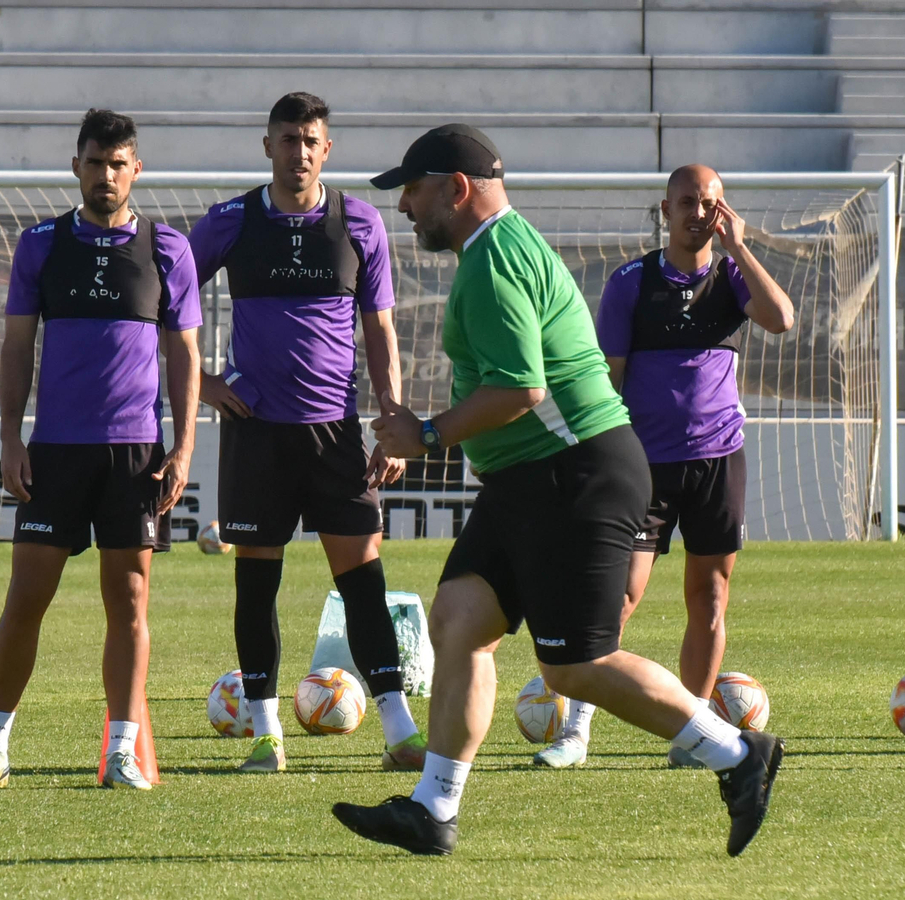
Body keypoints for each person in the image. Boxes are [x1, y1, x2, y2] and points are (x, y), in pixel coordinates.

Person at [330, 124, 784, 857]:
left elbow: (521, 387)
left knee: (574, 663)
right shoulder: (498, 249)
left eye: (412, 190)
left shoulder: (493, 263)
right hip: (531, 477)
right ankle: (433, 809)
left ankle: (737, 753)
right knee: (458, 618)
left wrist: (430, 435)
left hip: (573, 473)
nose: (404, 206)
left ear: (456, 187)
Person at [0, 109, 202, 791]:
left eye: (118, 163)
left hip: (135, 456)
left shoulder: (167, 249)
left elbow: (184, 357)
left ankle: (121, 753)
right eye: (94, 162)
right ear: (77, 167)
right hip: (56, 451)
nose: (105, 175)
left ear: (136, 170)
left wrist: (183, 447)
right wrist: (10, 437)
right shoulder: (39, 245)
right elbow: (16, 347)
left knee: (129, 601)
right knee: (26, 597)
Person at [186, 92, 422, 773]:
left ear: (327, 149)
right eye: (286, 139)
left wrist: (394, 417)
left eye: (309, 140)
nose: (298, 152)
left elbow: (379, 329)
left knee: (364, 583)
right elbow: (163, 301)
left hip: (336, 435)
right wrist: (201, 383)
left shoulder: (360, 223)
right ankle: (267, 736)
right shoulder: (232, 221)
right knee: (256, 586)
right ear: (267, 146)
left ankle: (400, 732)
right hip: (257, 434)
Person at [536, 164, 794, 769]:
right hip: (642, 466)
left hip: (717, 462)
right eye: (686, 202)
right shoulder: (632, 282)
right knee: (616, 597)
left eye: (710, 203)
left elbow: (782, 318)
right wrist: (597, 459)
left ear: (723, 211)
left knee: (709, 596)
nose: (697, 213)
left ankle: (696, 733)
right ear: (664, 209)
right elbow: (608, 378)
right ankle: (575, 732)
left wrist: (741, 250)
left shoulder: (734, 278)